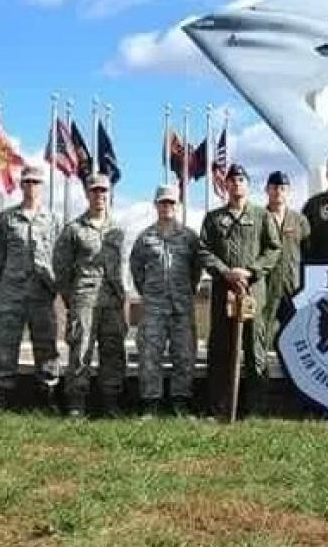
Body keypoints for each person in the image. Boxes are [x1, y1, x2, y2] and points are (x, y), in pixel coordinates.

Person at [198, 164, 281, 417]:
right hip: (225, 292)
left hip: (252, 291)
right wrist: (225, 271)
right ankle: (220, 407)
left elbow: (273, 249)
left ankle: (256, 408)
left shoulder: (261, 216)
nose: (236, 185)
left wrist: (251, 271)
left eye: (241, 180)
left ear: (247, 185)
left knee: (254, 349)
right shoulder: (213, 218)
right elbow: (203, 250)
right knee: (221, 349)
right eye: (232, 181)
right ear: (226, 185)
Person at [54, 173, 127, 417]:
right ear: (87, 194)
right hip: (84, 298)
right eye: (95, 190)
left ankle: (111, 402)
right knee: (81, 349)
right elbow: (61, 268)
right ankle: (77, 403)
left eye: (104, 191)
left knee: (113, 350)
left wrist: (122, 294)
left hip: (113, 299)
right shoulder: (73, 229)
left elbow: (122, 266)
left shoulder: (117, 230)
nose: (100, 195)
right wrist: (71, 297)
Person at [129, 184, 202, 417]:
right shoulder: (144, 238)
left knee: (184, 354)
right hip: (153, 307)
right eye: (162, 202)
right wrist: (151, 293)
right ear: (155, 205)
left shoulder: (189, 237)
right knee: (150, 354)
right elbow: (136, 269)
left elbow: (196, 270)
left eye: (171, 202)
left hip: (182, 305)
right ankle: (151, 403)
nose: (166, 207)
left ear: (177, 205)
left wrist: (185, 290)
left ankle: (181, 402)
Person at [0, 165, 59, 409]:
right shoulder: (7, 218)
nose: (32, 187)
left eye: (36, 182)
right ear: (21, 186)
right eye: (28, 182)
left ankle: (47, 395)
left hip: (41, 292)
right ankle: (4, 397)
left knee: (46, 345)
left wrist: (54, 285)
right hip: (11, 291)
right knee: (6, 344)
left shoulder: (51, 219)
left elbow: (57, 256)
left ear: (42, 186)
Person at [262, 171, 309, 347]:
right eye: (274, 188)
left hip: (293, 285)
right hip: (267, 285)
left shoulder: (299, 220)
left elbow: (307, 250)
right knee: (264, 333)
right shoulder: (259, 217)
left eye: (282, 188)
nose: (278, 192)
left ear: (288, 191)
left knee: (295, 334)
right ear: (267, 190)